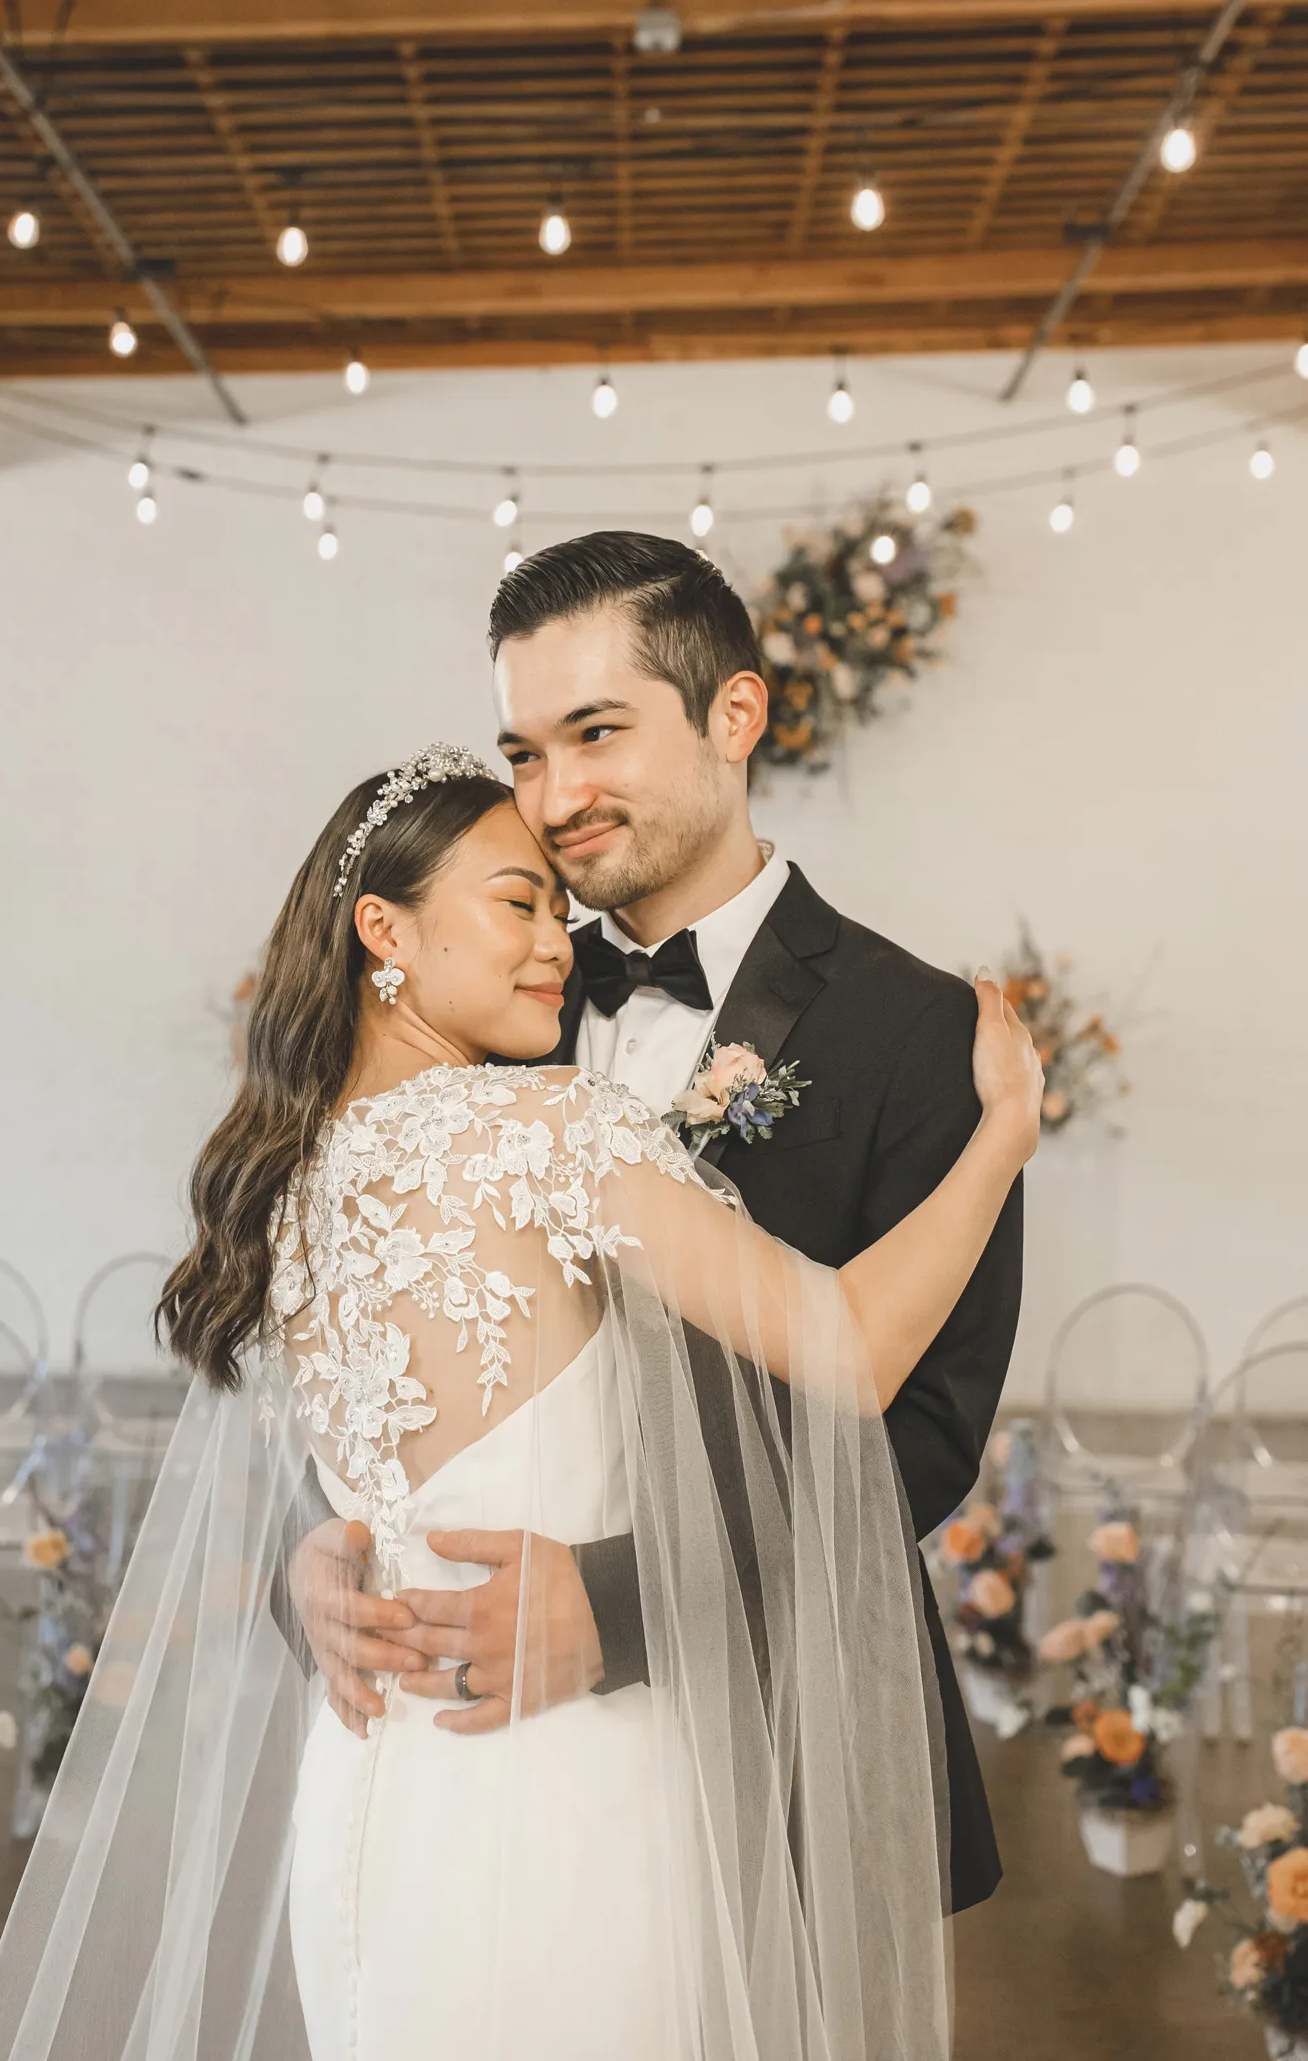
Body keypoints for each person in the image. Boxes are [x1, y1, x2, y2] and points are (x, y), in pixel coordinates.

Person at [0, 728, 1040, 2061]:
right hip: (571, 1791)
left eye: (554, 908)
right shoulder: (549, 1130)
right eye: (518, 904)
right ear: (384, 931)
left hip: (374, 1794)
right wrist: (1002, 1139)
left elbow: (354, 1485)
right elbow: (856, 1351)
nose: (556, 945)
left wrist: (317, 1555)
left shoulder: (285, 1185)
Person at [291, 531, 1023, 1917]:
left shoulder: (915, 1029)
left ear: (733, 715)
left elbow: (926, 1431)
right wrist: (317, 1552)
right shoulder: (491, 990)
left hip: (793, 1732)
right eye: (524, 752)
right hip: (474, 1750)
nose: (555, 797)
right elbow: (380, 1319)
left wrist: (621, 1608)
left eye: (597, 733)